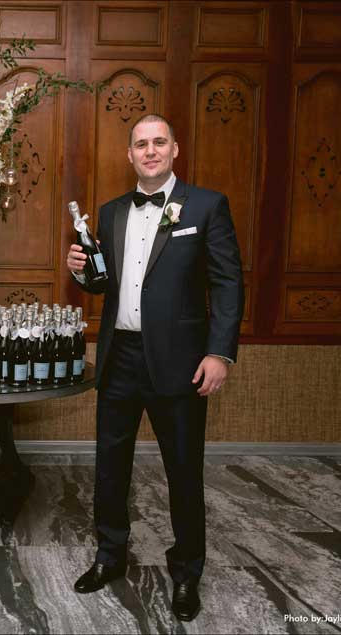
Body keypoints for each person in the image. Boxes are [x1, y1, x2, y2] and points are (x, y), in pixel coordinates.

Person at [66, 114, 244, 621]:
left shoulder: (207, 206)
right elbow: (107, 284)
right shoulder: (111, 211)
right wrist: (82, 272)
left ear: (175, 150)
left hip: (182, 363)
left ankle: (187, 573)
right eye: (141, 144)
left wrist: (219, 352)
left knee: (183, 472)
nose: (149, 151)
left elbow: (228, 284)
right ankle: (110, 556)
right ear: (129, 154)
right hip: (119, 357)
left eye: (158, 142)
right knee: (109, 467)